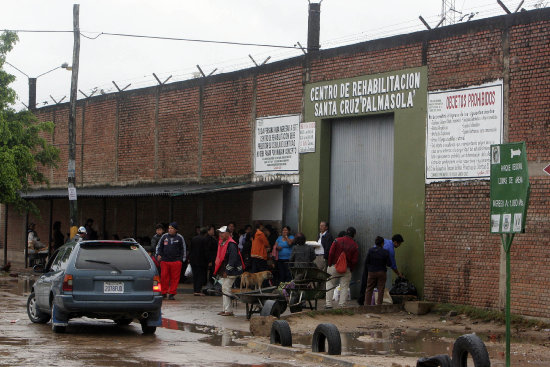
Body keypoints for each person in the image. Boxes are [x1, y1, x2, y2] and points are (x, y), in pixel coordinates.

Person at [325, 227, 359, 309]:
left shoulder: (337, 240)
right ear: (354, 235)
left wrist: (330, 264)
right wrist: (351, 269)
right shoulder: (355, 245)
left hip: (334, 266)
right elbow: (354, 260)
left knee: (330, 283)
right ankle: (342, 305)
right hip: (346, 269)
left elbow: (331, 253)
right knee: (344, 286)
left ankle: (328, 304)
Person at [214, 225, 244, 316]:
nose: (220, 234)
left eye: (222, 232)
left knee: (226, 288)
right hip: (228, 271)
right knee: (225, 288)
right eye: (220, 232)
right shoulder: (224, 243)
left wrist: (227, 271)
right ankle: (225, 309)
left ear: (228, 233)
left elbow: (233, 259)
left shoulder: (231, 244)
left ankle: (228, 310)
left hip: (232, 271)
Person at [157, 222, 187, 300]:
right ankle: (164, 292)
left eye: (172, 228)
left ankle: (172, 293)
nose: (170, 230)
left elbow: (183, 249)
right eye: (169, 228)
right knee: (164, 277)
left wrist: (181, 260)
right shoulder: (164, 236)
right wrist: (158, 255)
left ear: (176, 230)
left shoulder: (180, 237)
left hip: (176, 261)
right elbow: (159, 247)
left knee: (175, 278)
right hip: (165, 261)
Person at [364, 236, 391, 305]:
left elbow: (367, 262)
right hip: (382, 272)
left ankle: (367, 305)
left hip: (372, 272)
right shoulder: (385, 252)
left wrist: (370, 269)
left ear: (375, 243)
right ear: (382, 243)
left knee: (369, 289)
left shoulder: (371, 250)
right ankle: (379, 306)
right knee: (381, 289)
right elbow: (389, 264)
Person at [189, 227, 210, 296]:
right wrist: (208, 260)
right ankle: (198, 290)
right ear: (205, 233)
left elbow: (190, 249)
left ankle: (195, 290)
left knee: (195, 276)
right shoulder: (205, 239)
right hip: (201, 261)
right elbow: (206, 251)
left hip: (193, 260)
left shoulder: (194, 238)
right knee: (200, 276)